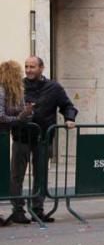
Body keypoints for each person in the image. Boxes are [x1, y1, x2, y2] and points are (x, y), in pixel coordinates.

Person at [9, 56, 78, 224]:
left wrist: (70, 118)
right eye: (26, 66)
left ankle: (37, 209)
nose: (28, 70)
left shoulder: (54, 87)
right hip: (21, 136)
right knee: (16, 175)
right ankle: (18, 210)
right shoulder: (18, 86)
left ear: (41, 68)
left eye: (32, 66)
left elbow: (68, 106)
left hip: (43, 138)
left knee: (41, 174)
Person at [1, 61, 30, 225]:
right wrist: (18, 118)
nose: (22, 75)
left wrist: (27, 112)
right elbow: (1, 116)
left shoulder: (16, 92)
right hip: (2, 135)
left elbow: (18, 110)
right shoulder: (1, 91)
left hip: (5, 136)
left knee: (4, 174)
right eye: (18, 73)